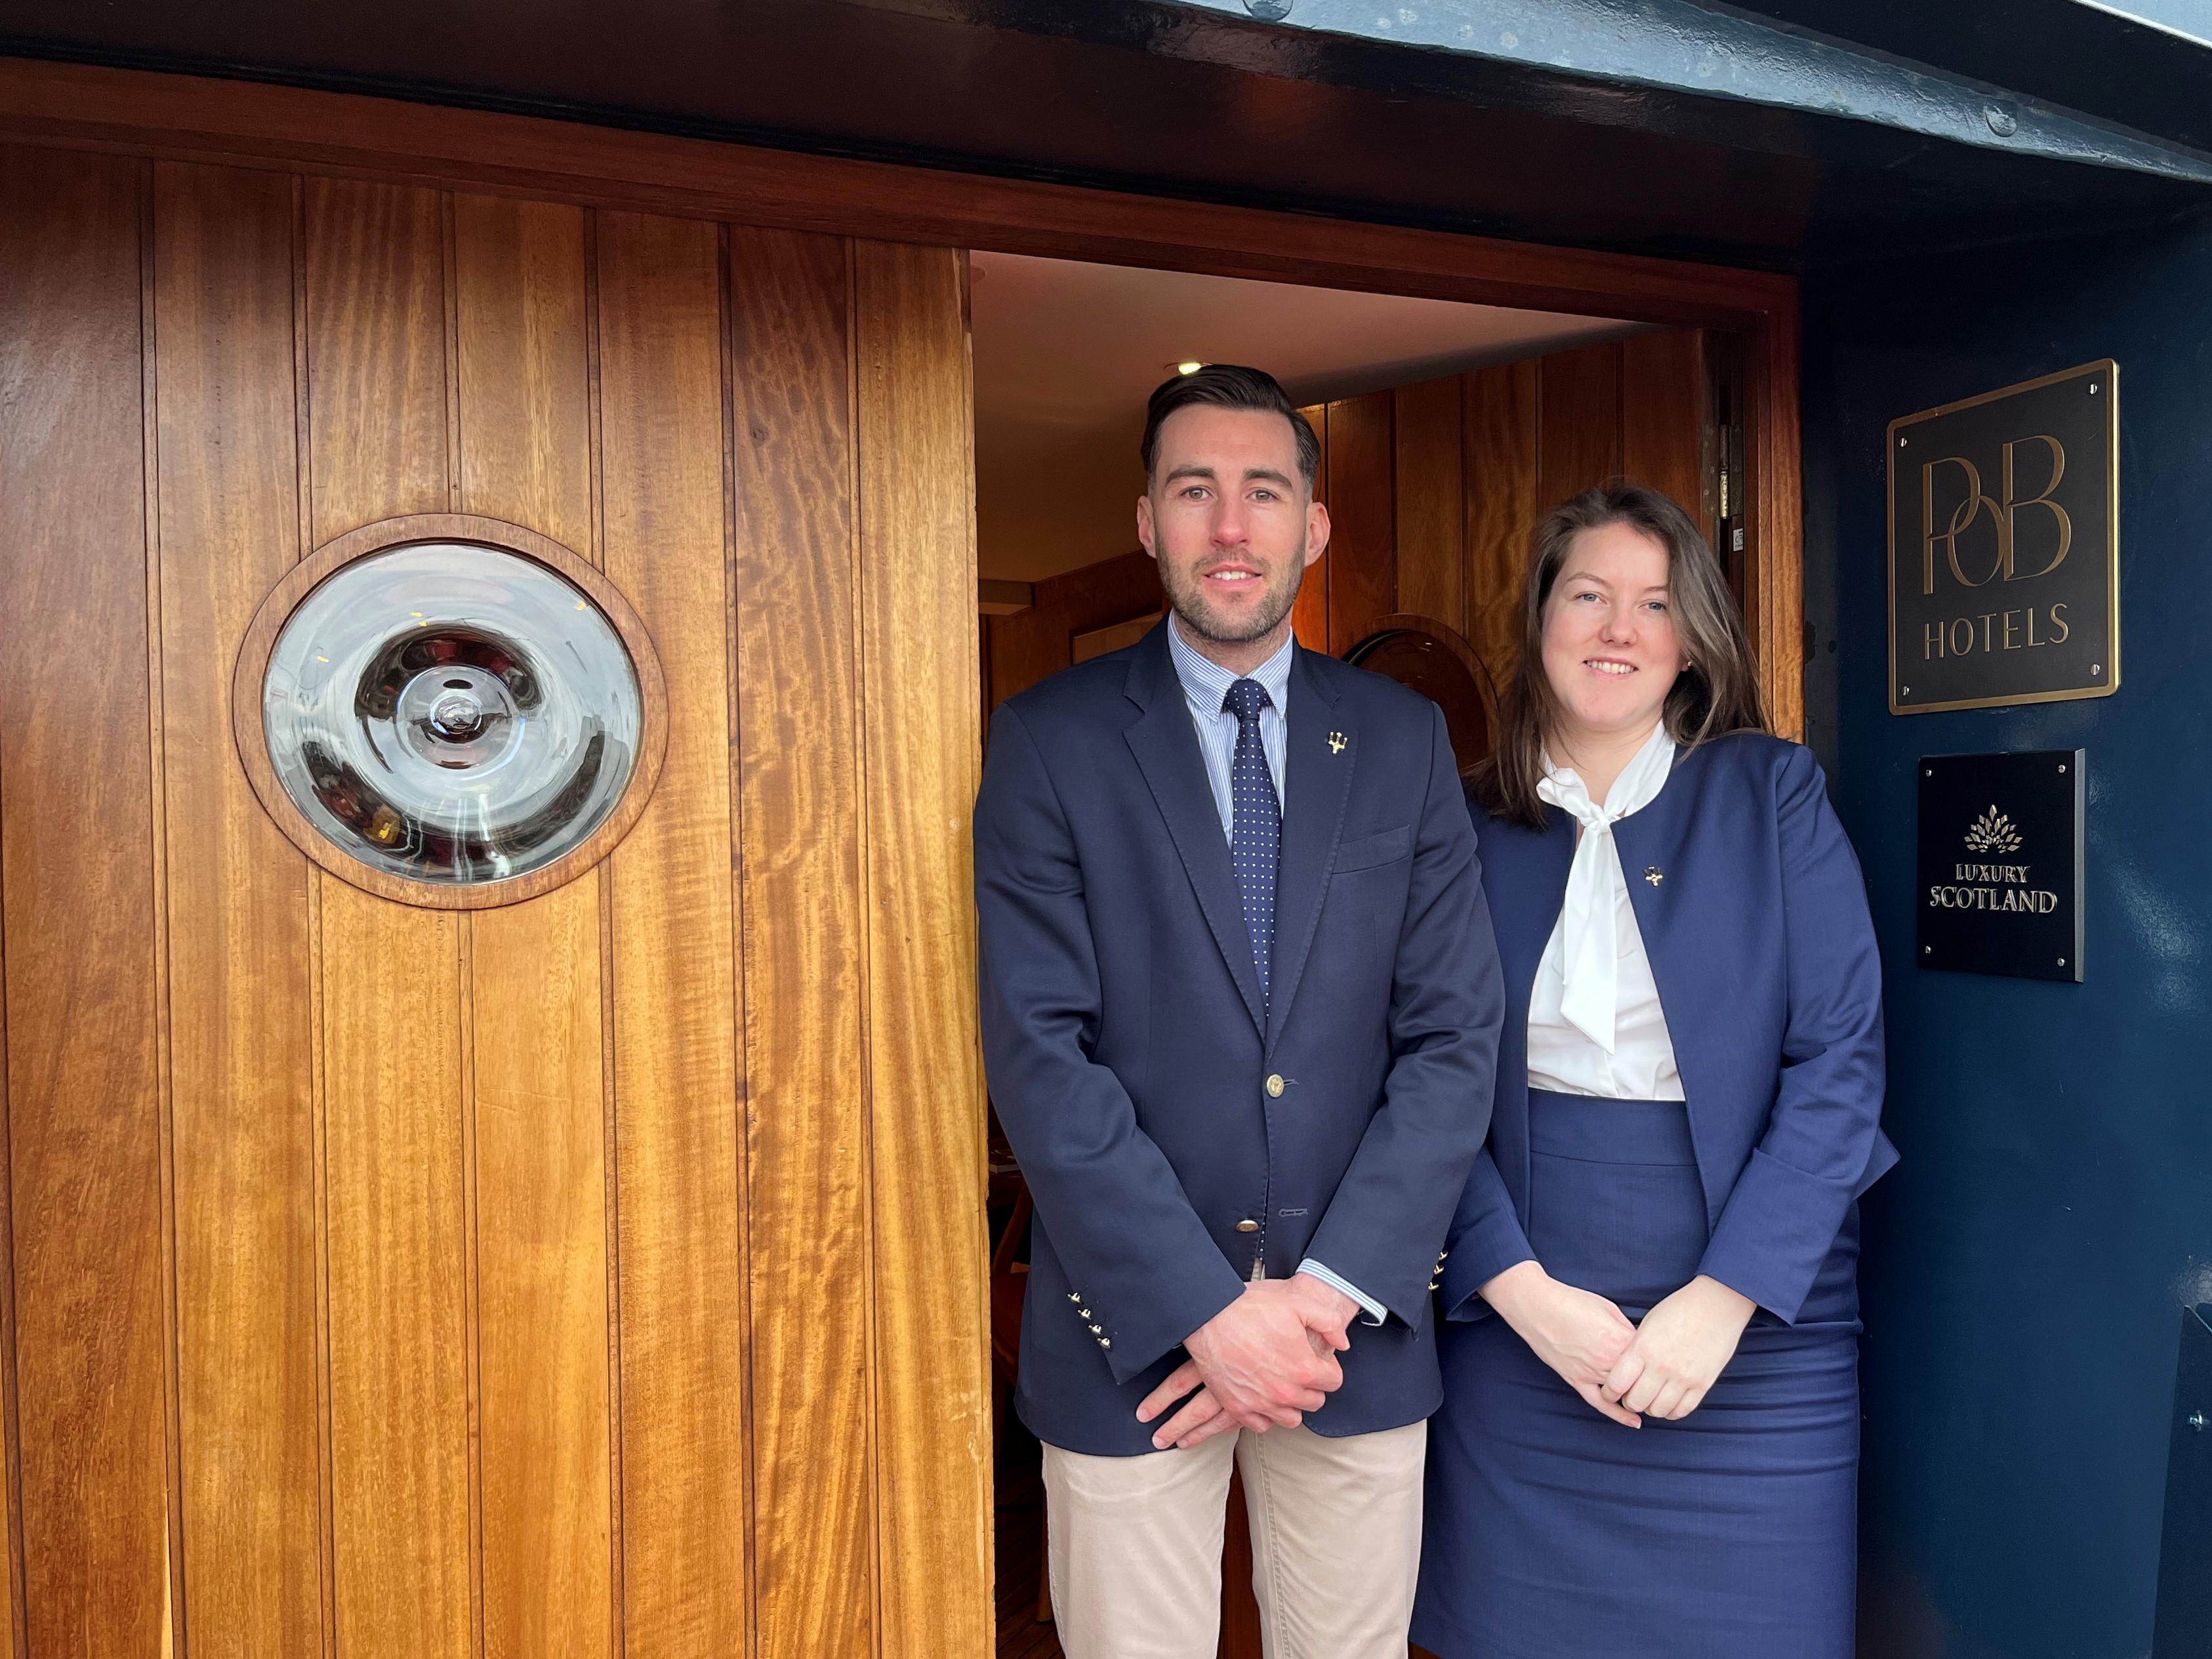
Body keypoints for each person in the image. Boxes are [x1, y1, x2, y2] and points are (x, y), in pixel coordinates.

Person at [975, 363, 1504, 1659]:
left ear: (1311, 526)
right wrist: (1208, 1308)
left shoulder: (1401, 738)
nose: (1231, 525)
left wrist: (1321, 1296)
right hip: (1133, 1339)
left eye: (1263, 490)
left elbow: (1453, 1034)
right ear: (1147, 519)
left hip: (1350, 1337)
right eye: (1195, 489)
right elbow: (1042, 1051)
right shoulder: (1049, 738)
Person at [1412, 483, 1896, 1659]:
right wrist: (1526, 1300)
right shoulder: (1459, 819)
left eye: (1655, 603)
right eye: (1588, 594)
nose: (1618, 629)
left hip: (1757, 1338)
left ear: (1693, 642)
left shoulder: (1770, 792)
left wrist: (1719, 1303)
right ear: (1540, 620)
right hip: (1522, 1331)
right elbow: (1417, 1075)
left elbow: (1841, 1063)